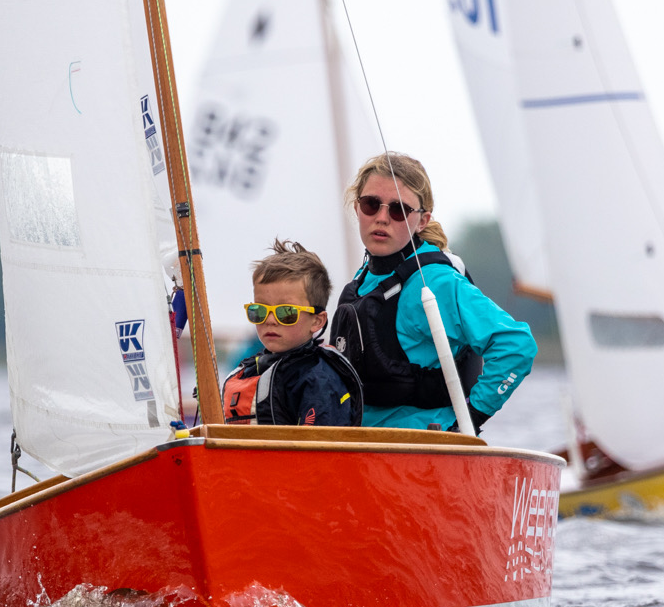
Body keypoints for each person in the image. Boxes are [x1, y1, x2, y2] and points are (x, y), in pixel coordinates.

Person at [330, 152, 536, 433]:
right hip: (360, 443)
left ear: (422, 221)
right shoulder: (362, 281)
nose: (381, 218)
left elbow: (516, 344)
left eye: (398, 210)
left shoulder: (434, 282)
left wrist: (469, 420)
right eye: (371, 204)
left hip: (422, 447)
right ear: (357, 209)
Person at [221, 239, 363, 426]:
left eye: (286, 312)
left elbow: (321, 451)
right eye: (259, 311)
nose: (270, 320)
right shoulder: (250, 370)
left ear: (317, 321)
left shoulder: (318, 381)